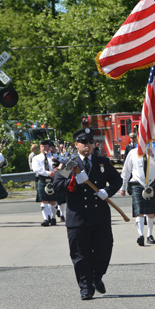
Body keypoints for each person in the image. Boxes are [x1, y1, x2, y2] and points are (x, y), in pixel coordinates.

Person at [53, 127, 122, 300]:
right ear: (76, 144)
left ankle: (96, 277)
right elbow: (57, 186)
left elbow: (117, 180)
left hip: (99, 216)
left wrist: (107, 191)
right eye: (84, 142)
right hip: (78, 217)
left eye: (90, 142)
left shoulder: (102, 162)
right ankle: (85, 287)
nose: (88, 145)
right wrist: (74, 180)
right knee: (80, 254)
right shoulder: (71, 163)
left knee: (104, 250)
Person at [120, 144, 155, 246]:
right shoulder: (133, 152)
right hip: (137, 183)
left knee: (151, 212)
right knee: (139, 210)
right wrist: (123, 186)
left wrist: (152, 155)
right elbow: (126, 170)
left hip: (151, 183)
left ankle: (150, 235)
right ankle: (140, 235)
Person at [32, 140, 59, 226]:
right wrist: (48, 173)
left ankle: (53, 217)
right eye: (42, 147)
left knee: (53, 200)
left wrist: (57, 170)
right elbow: (36, 169)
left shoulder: (54, 157)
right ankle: (46, 219)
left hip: (53, 179)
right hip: (43, 179)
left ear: (49, 147)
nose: (44, 148)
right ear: (40, 147)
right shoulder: (36, 158)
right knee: (44, 200)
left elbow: (62, 165)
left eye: (46, 147)